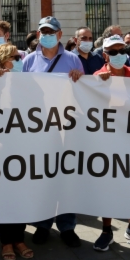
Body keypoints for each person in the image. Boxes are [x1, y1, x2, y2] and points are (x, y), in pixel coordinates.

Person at [22, 16, 84, 247]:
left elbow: (84, 94)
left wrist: (80, 79)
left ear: (59, 35)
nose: (46, 36)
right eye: (43, 32)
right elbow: (22, 92)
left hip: (67, 128)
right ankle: (42, 224)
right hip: (39, 129)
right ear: (38, 35)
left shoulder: (73, 59)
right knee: (43, 178)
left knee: (67, 178)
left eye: (51, 32)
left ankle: (67, 226)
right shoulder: (28, 61)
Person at [91, 36, 130, 251]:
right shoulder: (97, 77)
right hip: (107, 141)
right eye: (113, 51)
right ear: (105, 55)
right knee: (107, 185)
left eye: (122, 50)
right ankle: (107, 231)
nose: (118, 55)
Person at [0, 43, 35, 260]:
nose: (18, 60)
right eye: (13, 57)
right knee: (3, 194)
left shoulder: (28, 83)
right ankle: (6, 242)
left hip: (24, 146)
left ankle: (19, 238)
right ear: (1, 61)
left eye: (19, 57)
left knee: (22, 194)